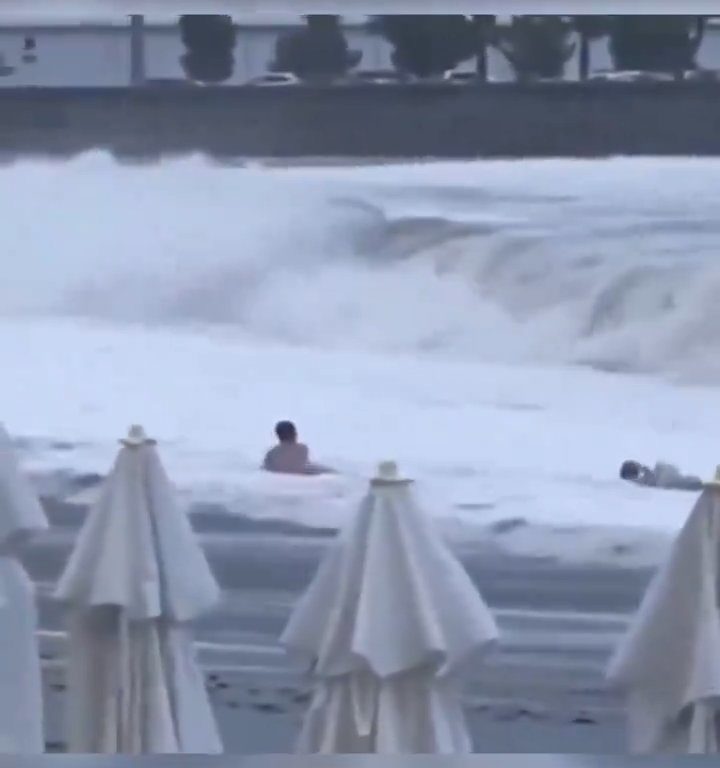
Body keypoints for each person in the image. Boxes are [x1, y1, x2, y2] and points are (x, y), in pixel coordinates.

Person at [262, 421, 333, 476]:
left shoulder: (272, 453)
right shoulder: (302, 449)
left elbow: (265, 469)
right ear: (294, 433)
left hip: (282, 482)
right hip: (300, 481)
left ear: (278, 435)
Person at [620, 459, 703, 491]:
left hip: (663, 478)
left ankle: (698, 484)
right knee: (680, 483)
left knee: (679, 482)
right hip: (663, 479)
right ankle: (698, 484)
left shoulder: (646, 474)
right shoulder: (637, 480)